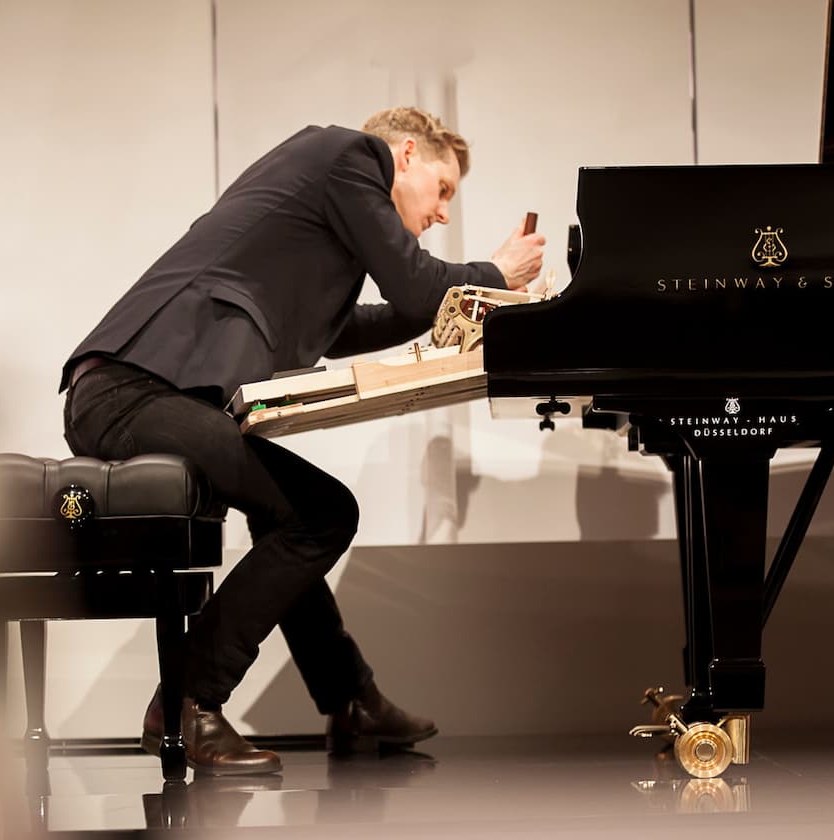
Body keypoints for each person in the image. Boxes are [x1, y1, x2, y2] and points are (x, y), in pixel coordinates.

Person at [60, 106, 545, 774]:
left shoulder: (328, 208)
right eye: (443, 190)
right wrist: (494, 273)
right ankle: (188, 704)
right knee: (321, 513)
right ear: (405, 154)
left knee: (288, 514)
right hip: (129, 390)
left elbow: (360, 322)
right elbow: (414, 286)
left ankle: (350, 699)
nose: (441, 214)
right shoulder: (349, 157)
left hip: (148, 392)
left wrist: (452, 312)